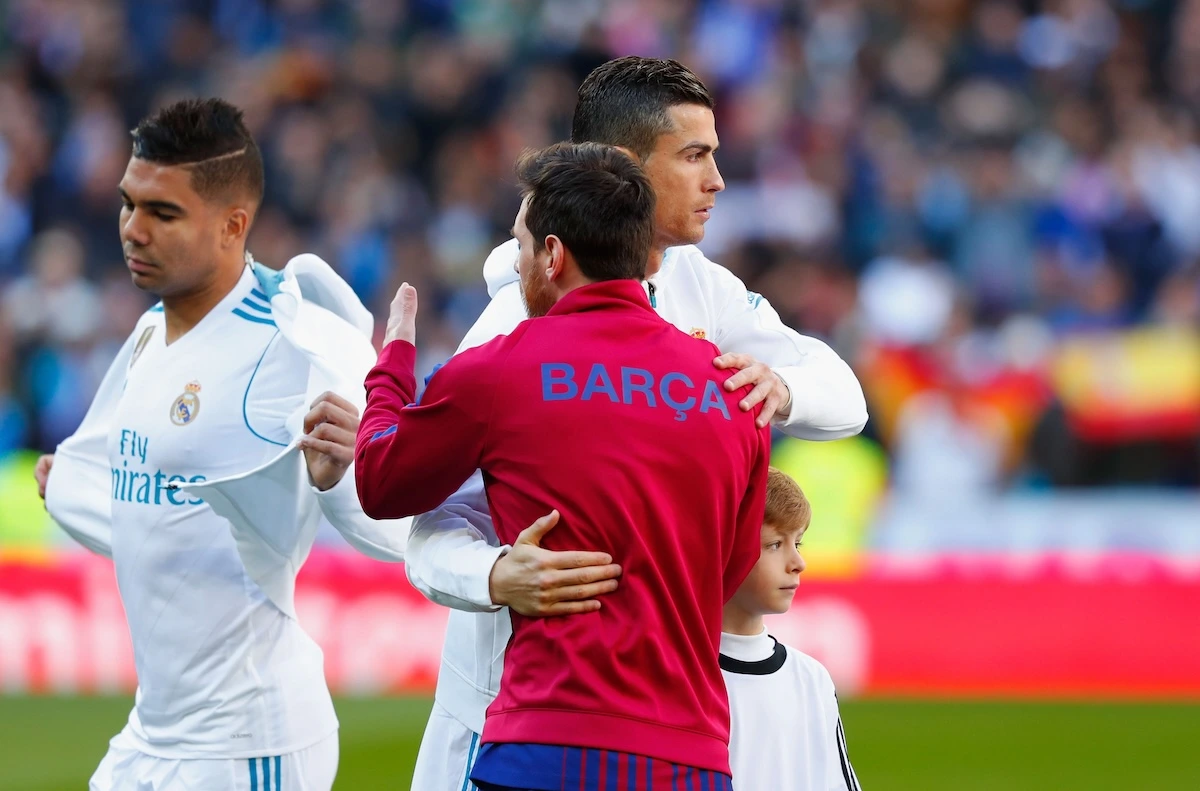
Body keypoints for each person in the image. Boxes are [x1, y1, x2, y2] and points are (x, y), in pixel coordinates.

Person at [403, 56, 869, 791]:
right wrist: (493, 573)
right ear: (621, 169)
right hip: (502, 719)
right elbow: (424, 519)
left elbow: (845, 398)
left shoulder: (701, 286)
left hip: (655, 724)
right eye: (694, 157)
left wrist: (780, 388)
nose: (718, 181)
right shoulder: (513, 321)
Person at [355, 141, 771, 791]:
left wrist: (390, 371)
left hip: (547, 744)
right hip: (692, 757)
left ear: (552, 255)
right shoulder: (736, 390)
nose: (520, 265)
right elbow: (731, 570)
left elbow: (380, 483)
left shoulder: (500, 368)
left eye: (522, 247)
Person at [33, 98, 407, 791]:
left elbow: (394, 511)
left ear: (234, 225)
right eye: (127, 204)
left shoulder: (292, 339)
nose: (132, 231)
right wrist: (68, 490)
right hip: (153, 731)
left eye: (162, 213)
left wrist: (341, 477)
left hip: (246, 742)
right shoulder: (151, 329)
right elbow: (135, 492)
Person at [721, 468, 863, 791]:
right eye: (775, 545)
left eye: (798, 542)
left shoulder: (812, 680)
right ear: (725, 546)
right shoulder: (682, 674)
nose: (798, 561)